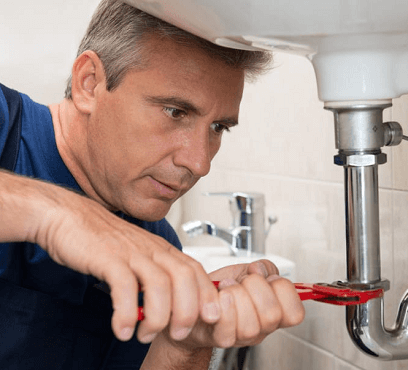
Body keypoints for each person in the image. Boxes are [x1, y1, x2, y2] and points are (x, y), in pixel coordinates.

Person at [0, 0, 305, 369]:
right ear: (89, 83)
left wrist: (187, 342)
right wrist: (59, 214)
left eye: (217, 128)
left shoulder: (159, 251)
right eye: (175, 112)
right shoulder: (6, 124)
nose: (199, 162)